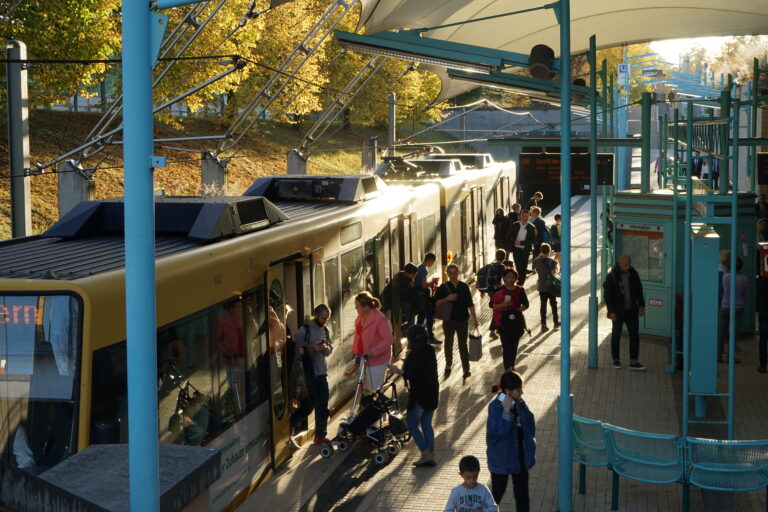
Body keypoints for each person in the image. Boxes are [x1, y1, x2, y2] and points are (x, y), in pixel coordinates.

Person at [389, 325, 439, 467]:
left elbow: (411, 375)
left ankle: (425, 452)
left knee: (411, 425)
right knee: (427, 424)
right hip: (432, 393)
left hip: (420, 396)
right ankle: (430, 453)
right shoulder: (429, 350)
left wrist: (398, 370)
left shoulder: (414, 354)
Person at [486, 371, 535, 511]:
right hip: (502, 460)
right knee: (496, 495)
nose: (522, 392)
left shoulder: (518, 403)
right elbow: (499, 432)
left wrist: (522, 409)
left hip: (520, 459)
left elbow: (530, 426)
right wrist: (506, 413)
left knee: (522, 496)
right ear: (507, 391)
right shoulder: (495, 407)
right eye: (519, 389)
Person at [289, 304, 334, 445]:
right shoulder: (305, 330)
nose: (325, 321)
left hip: (321, 373)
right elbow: (293, 345)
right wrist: (311, 347)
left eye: (327, 318)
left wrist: (325, 348)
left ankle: (320, 435)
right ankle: (288, 426)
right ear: (316, 315)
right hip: (309, 374)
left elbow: (329, 349)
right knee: (309, 406)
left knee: (323, 403)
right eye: (323, 318)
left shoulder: (325, 330)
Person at [435, 263, 480, 379]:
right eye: (451, 273)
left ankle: (466, 369)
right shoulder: (443, 287)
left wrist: (475, 319)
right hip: (448, 320)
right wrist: (447, 299)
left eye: (455, 272)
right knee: (448, 343)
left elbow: (470, 304)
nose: (453, 275)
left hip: (463, 320)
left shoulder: (464, 286)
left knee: (463, 345)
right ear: (447, 274)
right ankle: (448, 364)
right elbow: (436, 303)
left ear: (458, 273)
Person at [603, 255, 647, 370]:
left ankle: (634, 361)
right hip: (618, 312)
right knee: (616, 335)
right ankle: (616, 360)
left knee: (634, 335)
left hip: (631, 311)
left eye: (628, 265)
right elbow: (607, 296)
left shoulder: (633, 274)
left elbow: (639, 290)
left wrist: (642, 305)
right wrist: (611, 311)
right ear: (619, 263)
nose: (627, 267)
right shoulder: (611, 276)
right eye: (625, 265)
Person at [353, 292, 394, 392]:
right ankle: (369, 406)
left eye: (357, 305)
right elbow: (358, 334)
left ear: (366, 306)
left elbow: (388, 339)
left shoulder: (379, 319)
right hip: (364, 359)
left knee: (375, 392)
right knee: (367, 391)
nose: (355, 308)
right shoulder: (360, 317)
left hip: (377, 362)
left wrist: (372, 352)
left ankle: (378, 407)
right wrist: (355, 350)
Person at [492, 269, 528, 371]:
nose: (511, 279)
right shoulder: (499, 289)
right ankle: (508, 369)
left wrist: (516, 311)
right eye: (508, 276)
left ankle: (511, 366)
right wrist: (503, 305)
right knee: (506, 346)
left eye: (513, 277)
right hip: (503, 322)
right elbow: (492, 305)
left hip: (516, 322)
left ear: (516, 279)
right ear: (504, 278)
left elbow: (526, 304)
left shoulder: (520, 290)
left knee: (514, 346)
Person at [718, 257, 748, 364]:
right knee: (733, 333)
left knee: (721, 332)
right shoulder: (744, 279)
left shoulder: (725, 277)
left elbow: (723, 289)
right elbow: (744, 295)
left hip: (724, 307)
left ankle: (719, 356)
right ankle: (730, 357)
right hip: (738, 308)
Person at [216, 298, 245, 412]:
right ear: (231, 308)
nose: (241, 309)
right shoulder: (223, 321)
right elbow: (213, 340)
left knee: (245, 388)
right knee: (237, 389)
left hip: (246, 359)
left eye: (241, 306)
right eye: (238, 307)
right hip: (232, 361)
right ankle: (240, 412)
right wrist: (226, 352)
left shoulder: (246, 317)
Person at [478, 249, 507, 340]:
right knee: (498, 310)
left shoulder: (490, 265)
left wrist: (482, 291)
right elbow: (504, 280)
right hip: (496, 291)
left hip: (490, 290)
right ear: (504, 258)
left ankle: (498, 328)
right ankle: (492, 331)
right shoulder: (501, 266)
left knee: (497, 309)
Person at [532, 243, 559, 332]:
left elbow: (534, 262)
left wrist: (539, 256)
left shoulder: (537, 261)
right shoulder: (553, 262)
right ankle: (555, 322)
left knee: (543, 305)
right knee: (553, 304)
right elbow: (553, 273)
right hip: (551, 286)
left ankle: (543, 324)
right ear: (550, 250)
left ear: (541, 251)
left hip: (542, 287)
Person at [416, 253, 441, 344]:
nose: (433, 264)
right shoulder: (424, 270)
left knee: (421, 317)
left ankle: (416, 337)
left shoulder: (420, 267)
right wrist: (432, 282)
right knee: (429, 315)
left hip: (418, 296)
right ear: (429, 260)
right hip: (423, 297)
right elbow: (423, 285)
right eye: (433, 262)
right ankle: (430, 336)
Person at [506, 210, 535, 285]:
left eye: (527, 216)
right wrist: (512, 243)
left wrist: (521, 243)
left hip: (525, 250)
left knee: (524, 267)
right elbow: (508, 236)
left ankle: (521, 284)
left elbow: (532, 240)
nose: (526, 218)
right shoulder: (515, 225)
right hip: (516, 249)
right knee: (518, 267)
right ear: (520, 216)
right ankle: (519, 283)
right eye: (524, 216)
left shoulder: (531, 227)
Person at [397, 263, 420, 327]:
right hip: (403, 300)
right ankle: (408, 328)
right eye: (413, 274)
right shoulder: (399, 278)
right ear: (407, 273)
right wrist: (409, 286)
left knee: (412, 313)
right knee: (409, 313)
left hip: (410, 299)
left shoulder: (410, 278)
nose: (414, 276)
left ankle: (411, 327)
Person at [757, 276, 768, 374]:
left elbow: (759, 295)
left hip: (764, 311)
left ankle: (763, 365)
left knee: (763, 340)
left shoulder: (764, 280)